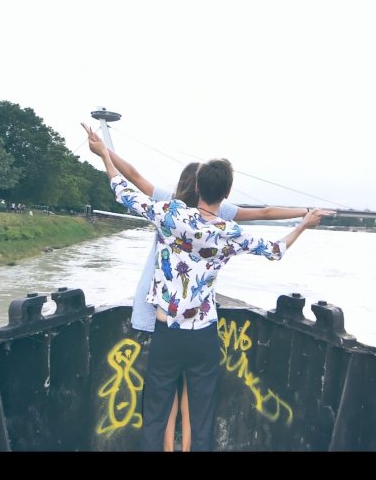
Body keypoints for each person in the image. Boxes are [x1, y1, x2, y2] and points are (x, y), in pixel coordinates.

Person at [82, 122, 332, 451]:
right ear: (226, 194)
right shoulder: (229, 232)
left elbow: (123, 190)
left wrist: (104, 154)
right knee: (201, 414)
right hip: (203, 335)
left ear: (198, 185)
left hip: (167, 331)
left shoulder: (171, 214)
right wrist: (304, 222)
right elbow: (275, 250)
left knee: (156, 410)